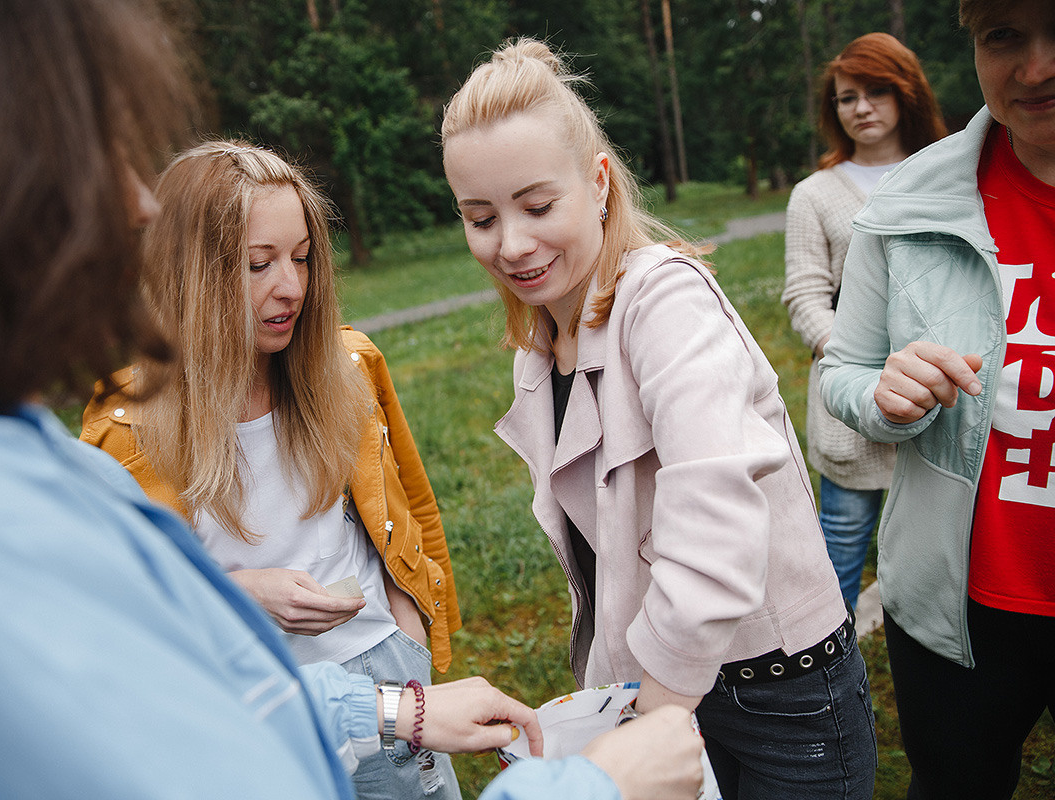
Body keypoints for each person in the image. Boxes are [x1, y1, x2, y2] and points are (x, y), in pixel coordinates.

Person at [0, 1, 708, 799]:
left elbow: (227, 690)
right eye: (93, 143)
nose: (137, 200)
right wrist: (598, 785)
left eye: (300, 258)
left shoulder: (15, 468)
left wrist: (403, 686)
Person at [441, 37, 876, 800]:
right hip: (659, 688)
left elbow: (712, 525)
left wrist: (650, 718)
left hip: (778, 695)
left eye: (538, 206)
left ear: (600, 183)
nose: (511, 244)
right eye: (480, 218)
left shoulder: (665, 299)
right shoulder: (539, 345)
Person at [79, 140, 462, 800]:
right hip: (253, 706)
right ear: (187, 275)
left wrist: (411, 635)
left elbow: (413, 512)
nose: (292, 287)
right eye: (259, 265)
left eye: (302, 258)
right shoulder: (124, 424)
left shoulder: (348, 368)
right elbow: (124, 613)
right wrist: (243, 593)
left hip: (389, 679)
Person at [819, 1, 1055, 797]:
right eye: (1004, 37)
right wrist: (883, 396)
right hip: (955, 609)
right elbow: (841, 369)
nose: (1035, 67)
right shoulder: (911, 198)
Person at [782, 32, 947, 608]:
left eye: (877, 91)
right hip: (854, 402)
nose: (862, 108)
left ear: (908, 95)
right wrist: (857, 364)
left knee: (943, 541)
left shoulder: (945, 175)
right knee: (845, 534)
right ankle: (832, 654)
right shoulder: (815, 194)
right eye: (847, 97)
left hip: (944, 394)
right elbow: (805, 294)